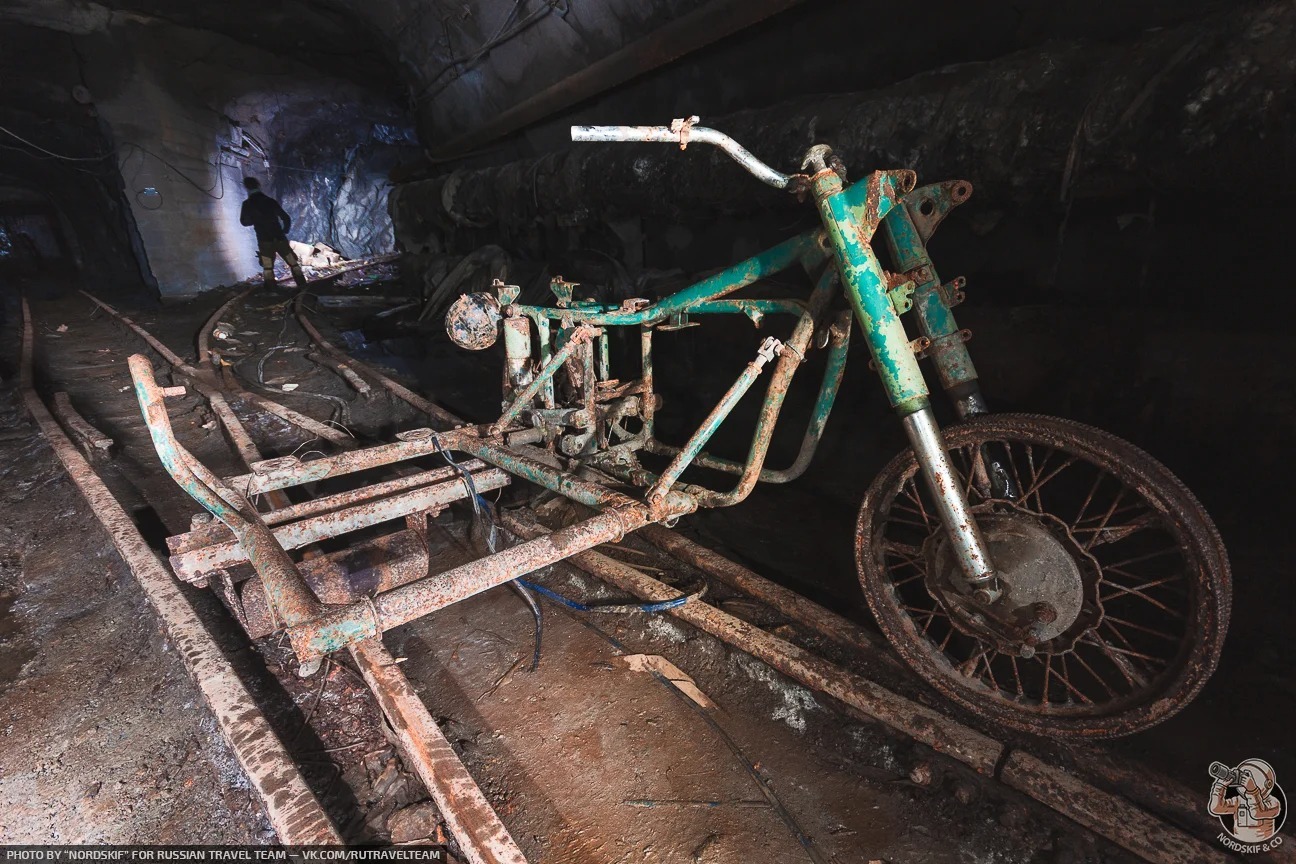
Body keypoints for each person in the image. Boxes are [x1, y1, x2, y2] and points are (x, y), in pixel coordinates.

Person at [239, 177, 307, 290]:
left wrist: (256, 220)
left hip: (264, 240)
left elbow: (244, 222)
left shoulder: (247, 204)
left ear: (246, 187)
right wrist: (284, 231)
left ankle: (271, 291)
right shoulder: (270, 201)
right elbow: (286, 218)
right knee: (293, 263)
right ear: (258, 185)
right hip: (279, 238)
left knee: (268, 267)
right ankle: (303, 287)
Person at [1209, 759, 1283, 843]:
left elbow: (1257, 813)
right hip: (1238, 846)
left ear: (1267, 783)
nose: (1243, 780)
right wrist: (1220, 786)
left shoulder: (1273, 803)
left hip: (1263, 848)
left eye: (1248, 776)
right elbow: (1216, 808)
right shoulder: (1239, 800)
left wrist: (1252, 790)